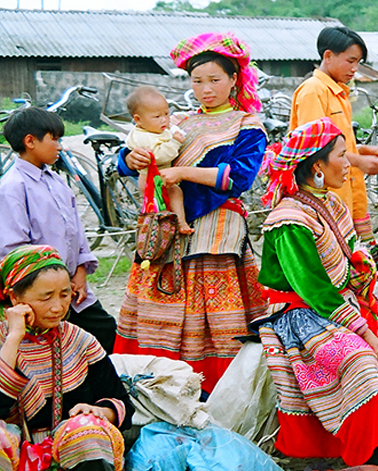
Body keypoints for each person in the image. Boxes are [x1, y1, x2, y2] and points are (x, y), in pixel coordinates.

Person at [256, 118, 378, 466]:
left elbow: (353, 262)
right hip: (303, 315)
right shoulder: (289, 220)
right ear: (318, 166)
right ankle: (361, 455)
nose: (348, 163)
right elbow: (315, 289)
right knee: (359, 359)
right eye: (341, 156)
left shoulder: (332, 204)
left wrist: (375, 298)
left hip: (348, 300)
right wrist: (363, 329)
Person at [115, 32, 269, 393]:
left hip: (215, 230)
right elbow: (136, 148)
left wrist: (183, 173)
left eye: (215, 80)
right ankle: (156, 386)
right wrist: (130, 159)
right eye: (197, 81)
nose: (206, 89)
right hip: (166, 231)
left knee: (210, 316)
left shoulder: (247, 126)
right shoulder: (177, 121)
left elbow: (240, 177)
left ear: (234, 80)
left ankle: (214, 390)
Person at [0, 245, 134, 471]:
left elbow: (121, 403)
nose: (58, 307)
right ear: (15, 297)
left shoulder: (79, 340)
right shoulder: (5, 340)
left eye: (64, 295)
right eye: (46, 298)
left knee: (87, 429)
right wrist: (14, 338)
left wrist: (101, 412)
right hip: (14, 456)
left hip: (71, 452)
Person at [0, 107, 118, 354]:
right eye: (54, 139)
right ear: (30, 141)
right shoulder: (12, 187)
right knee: (51, 347)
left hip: (72, 289)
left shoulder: (57, 182)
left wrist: (81, 271)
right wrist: (55, 283)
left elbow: (77, 232)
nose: (60, 146)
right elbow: (15, 250)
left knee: (105, 330)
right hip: (42, 293)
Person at [291, 26, 378, 244]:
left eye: (358, 62)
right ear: (328, 56)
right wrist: (359, 161)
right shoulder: (313, 91)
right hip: (324, 197)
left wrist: (364, 151)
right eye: (350, 61)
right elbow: (316, 147)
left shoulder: (338, 92)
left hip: (345, 194)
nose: (355, 69)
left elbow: (338, 144)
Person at [124, 85, 192, 234]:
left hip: (156, 177)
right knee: (174, 194)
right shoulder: (144, 137)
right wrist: (175, 142)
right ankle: (180, 223)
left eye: (167, 114)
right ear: (138, 119)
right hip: (152, 179)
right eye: (157, 117)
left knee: (163, 204)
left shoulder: (153, 129)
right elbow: (160, 156)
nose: (164, 120)